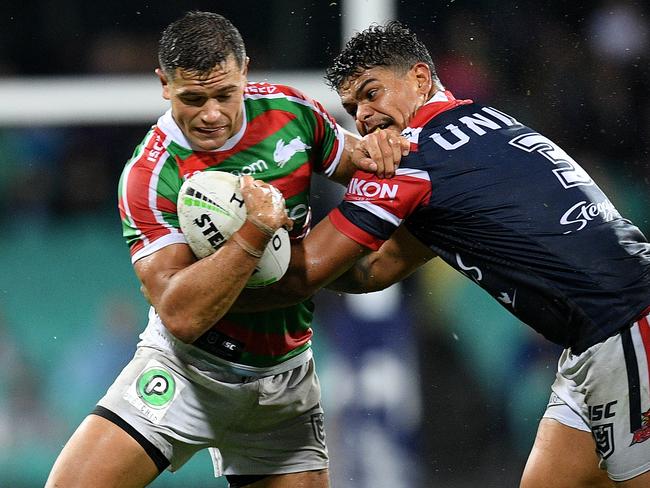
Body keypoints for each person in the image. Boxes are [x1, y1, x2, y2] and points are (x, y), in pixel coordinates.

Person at [242, 21, 650, 487]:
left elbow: (304, 274)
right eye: (353, 108)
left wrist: (250, 241)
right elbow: (377, 268)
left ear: (419, 78)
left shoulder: (414, 159)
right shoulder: (485, 120)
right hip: (600, 336)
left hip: (624, 328)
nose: (365, 117)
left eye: (373, 94)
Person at [45, 11, 406, 488]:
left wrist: (383, 151)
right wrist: (254, 230)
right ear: (164, 84)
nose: (211, 114)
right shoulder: (152, 174)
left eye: (224, 94)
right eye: (193, 99)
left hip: (284, 378)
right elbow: (181, 315)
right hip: (187, 370)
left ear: (245, 72)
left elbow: (361, 163)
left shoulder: (291, 114)